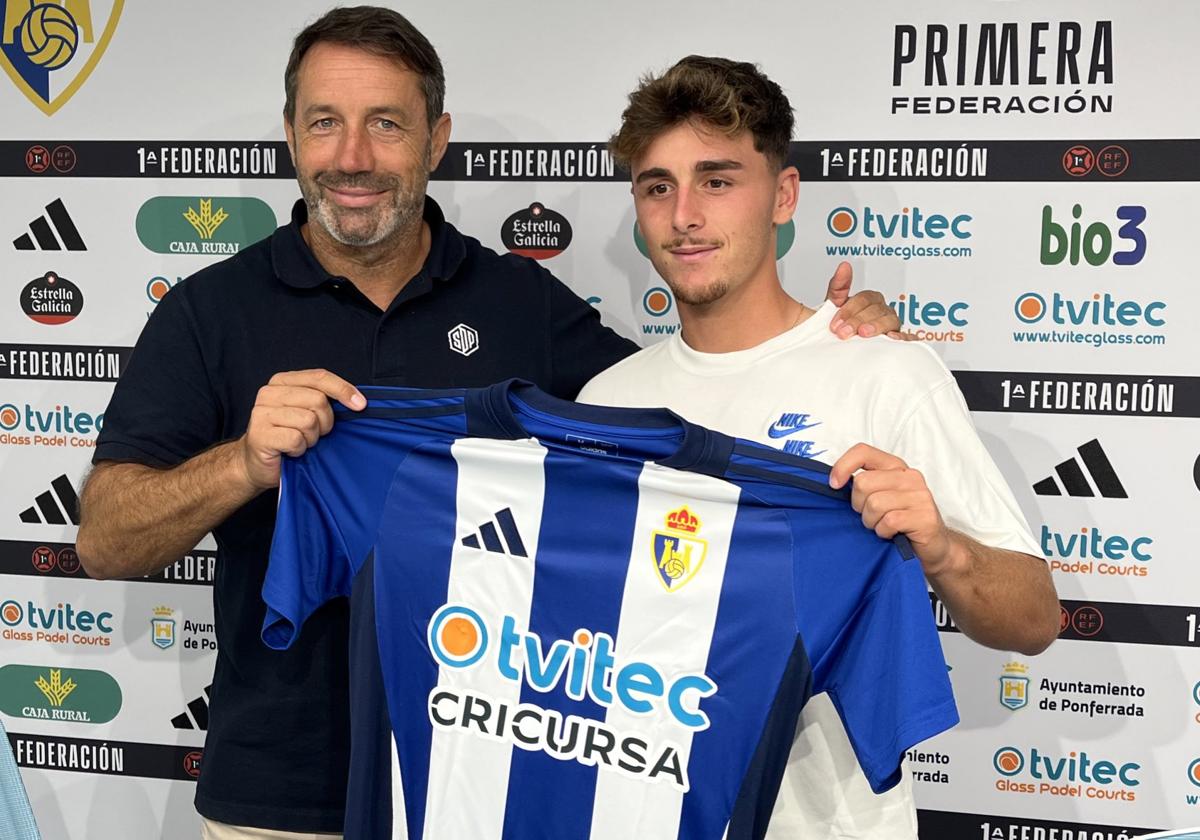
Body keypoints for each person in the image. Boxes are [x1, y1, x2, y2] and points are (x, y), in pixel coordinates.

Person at [74, 9, 900, 840]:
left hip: (482, 792)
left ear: (437, 139)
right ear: (292, 135)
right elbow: (105, 543)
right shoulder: (207, 313)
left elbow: (689, 406)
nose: (351, 155)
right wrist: (244, 465)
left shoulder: (522, 305)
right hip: (281, 799)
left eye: (386, 124)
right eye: (325, 122)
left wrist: (811, 341)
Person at [576, 55, 1061, 839]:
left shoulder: (885, 372)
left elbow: (1034, 620)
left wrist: (942, 550)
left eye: (718, 180)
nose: (684, 215)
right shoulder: (608, 401)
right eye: (657, 187)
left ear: (784, 195)